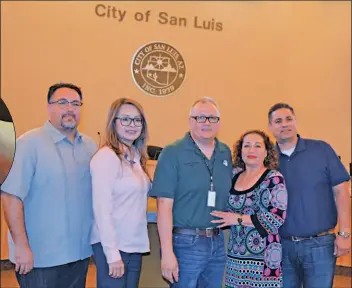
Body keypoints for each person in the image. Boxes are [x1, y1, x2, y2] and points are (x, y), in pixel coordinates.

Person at [0, 83, 97, 287]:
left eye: (75, 103)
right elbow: (10, 197)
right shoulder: (28, 144)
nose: (70, 108)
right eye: (62, 102)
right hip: (40, 258)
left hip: (78, 256)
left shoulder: (90, 147)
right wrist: (21, 246)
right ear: (48, 107)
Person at [149, 97, 233, 287]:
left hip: (217, 242)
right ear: (190, 121)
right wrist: (167, 253)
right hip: (185, 243)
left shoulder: (225, 152)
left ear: (219, 123)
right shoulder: (172, 153)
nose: (206, 123)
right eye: (200, 117)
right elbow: (164, 207)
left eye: (212, 118)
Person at [268, 103, 351, 288]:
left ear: (296, 121)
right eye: (278, 121)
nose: (284, 124)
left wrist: (345, 233)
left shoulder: (321, 150)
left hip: (319, 244)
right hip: (282, 246)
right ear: (270, 127)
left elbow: (341, 192)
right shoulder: (268, 159)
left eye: (289, 119)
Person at [211, 130, 288, 288]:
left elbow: (276, 219)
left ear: (266, 151)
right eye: (246, 146)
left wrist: (237, 219)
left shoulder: (273, 178)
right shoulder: (233, 175)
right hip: (235, 257)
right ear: (240, 151)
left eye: (257, 146)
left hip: (264, 260)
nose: (251, 150)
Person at [90, 98, 151, 288]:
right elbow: (102, 209)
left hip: (134, 245)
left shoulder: (136, 156)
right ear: (113, 122)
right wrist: (112, 254)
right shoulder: (106, 157)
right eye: (125, 119)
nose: (132, 125)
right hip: (114, 246)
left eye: (137, 120)